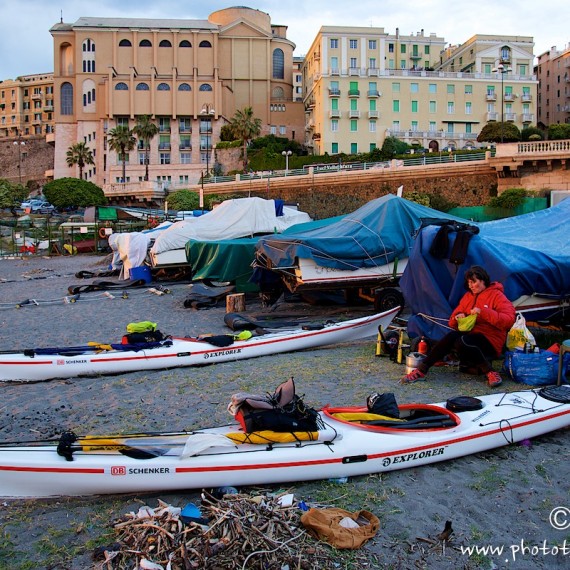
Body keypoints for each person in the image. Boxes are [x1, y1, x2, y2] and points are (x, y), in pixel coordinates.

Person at [401, 265, 516, 388]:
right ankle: (421, 370)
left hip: (491, 340)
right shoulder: (468, 297)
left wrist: (483, 312)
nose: (471, 285)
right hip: (470, 337)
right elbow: (452, 322)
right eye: (469, 282)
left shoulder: (497, 296)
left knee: (462, 341)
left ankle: (491, 372)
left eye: (474, 282)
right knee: (452, 336)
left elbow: (509, 320)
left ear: (483, 280)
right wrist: (457, 317)